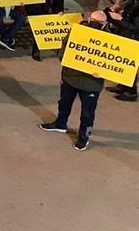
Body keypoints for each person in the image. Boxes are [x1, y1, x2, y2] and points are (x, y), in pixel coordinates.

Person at [39, 12, 109, 151]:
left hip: (91, 84)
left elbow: (114, 63)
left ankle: (84, 137)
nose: (95, 24)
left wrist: (103, 72)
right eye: (94, 21)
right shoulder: (76, 32)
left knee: (87, 113)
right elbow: (63, 49)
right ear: (88, 19)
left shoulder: (111, 40)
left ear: (105, 24)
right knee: (64, 103)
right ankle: (60, 124)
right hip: (70, 77)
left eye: (98, 22)